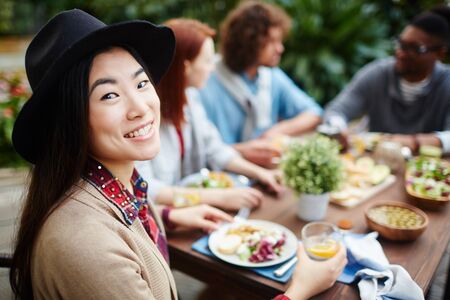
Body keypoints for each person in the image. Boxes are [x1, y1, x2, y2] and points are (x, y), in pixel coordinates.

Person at [9, 10, 346, 300]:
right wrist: (299, 290)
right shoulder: (83, 244)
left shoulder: (120, 183)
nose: (141, 107)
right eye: (110, 95)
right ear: (70, 119)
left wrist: (169, 216)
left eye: (141, 84)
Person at [136, 18, 282, 211]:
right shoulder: (144, 117)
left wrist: (260, 173)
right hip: (167, 220)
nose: (212, 68)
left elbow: (214, 148)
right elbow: (147, 188)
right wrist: (217, 197)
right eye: (207, 61)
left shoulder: (189, 97)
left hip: (191, 210)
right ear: (185, 67)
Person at [198, 1, 322, 168]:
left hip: (266, 173)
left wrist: (276, 132)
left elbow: (314, 113)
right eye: (272, 41)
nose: (280, 49)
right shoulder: (206, 81)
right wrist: (242, 151)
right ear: (248, 42)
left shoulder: (271, 76)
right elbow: (198, 151)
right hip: (223, 178)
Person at [324, 7, 450, 154]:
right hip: (376, 168)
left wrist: (413, 142)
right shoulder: (377, 74)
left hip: (428, 171)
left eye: (415, 48)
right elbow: (336, 110)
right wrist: (338, 129)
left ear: (440, 53)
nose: (401, 53)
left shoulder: (446, 83)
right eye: (401, 43)